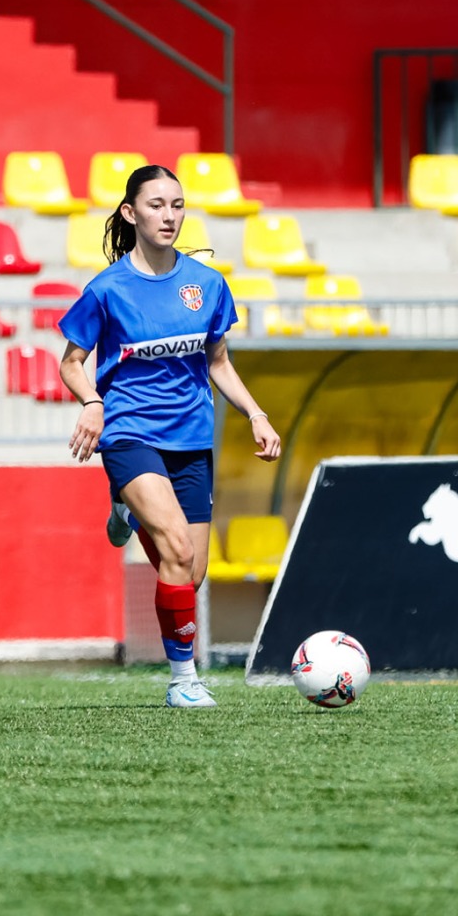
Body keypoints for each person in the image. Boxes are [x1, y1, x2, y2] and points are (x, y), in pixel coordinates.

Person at [58, 163, 281, 709]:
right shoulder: (107, 289)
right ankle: (184, 679)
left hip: (191, 439)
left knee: (190, 571)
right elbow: (71, 362)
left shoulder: (207, 284)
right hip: (130, 433)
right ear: (130, 213)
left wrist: (256, 414)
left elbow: (218, 362)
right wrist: (92, 403)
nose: (169, 216)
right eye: (156, 205)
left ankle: (127, 512)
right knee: (178, 549)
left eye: (177, 205)